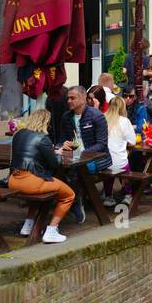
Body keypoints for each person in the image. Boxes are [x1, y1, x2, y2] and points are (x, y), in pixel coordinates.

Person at [9, 110, 73, 244]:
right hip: (31, 181)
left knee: (39, 192)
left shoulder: (18, 134)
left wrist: (52, 151)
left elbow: (29, 151)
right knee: (69, 195)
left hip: (13, 180)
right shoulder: (43, 138)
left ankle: (27, 225)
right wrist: (57, 154)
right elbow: (54, 164)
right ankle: (51, 231)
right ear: (45, 122)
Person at [59, 85, 110, 223]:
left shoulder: (96, 116)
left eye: (72, 98)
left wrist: (81, 152)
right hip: (74, 158)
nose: (69, 101)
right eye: (67, 98)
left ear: (82, 99)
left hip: (99, 158)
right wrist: (63, 145)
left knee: (76, 170)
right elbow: (61, 141)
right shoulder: (66, 117)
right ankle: (70, 199)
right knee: (56, 169)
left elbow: (102, 145)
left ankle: (76, 201)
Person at [102, 95, 137, 207]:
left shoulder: (102, 118)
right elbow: (133, 141)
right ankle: (128, 194)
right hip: (120, 163)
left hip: (104, 162)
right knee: (124, 164)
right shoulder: (124, 121)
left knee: (109, 167)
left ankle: (108, 196)